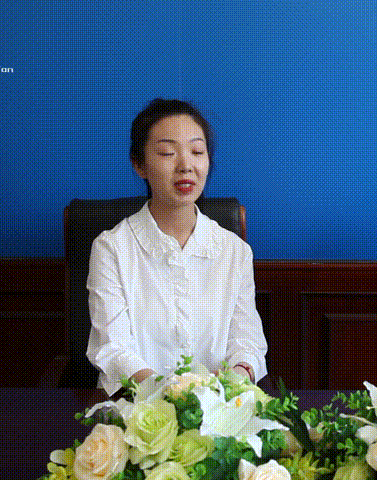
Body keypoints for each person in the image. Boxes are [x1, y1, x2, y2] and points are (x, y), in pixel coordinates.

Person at [86, 99, 268, 396]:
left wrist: (233, 378)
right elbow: (113, 348)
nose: (186, 166)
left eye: (197, 152)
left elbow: (247, 342)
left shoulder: (234, 251)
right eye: (167, 153)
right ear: (140, 165)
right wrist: (171, 395)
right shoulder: (112, 248)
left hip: (218, 408)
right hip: (135, 407)